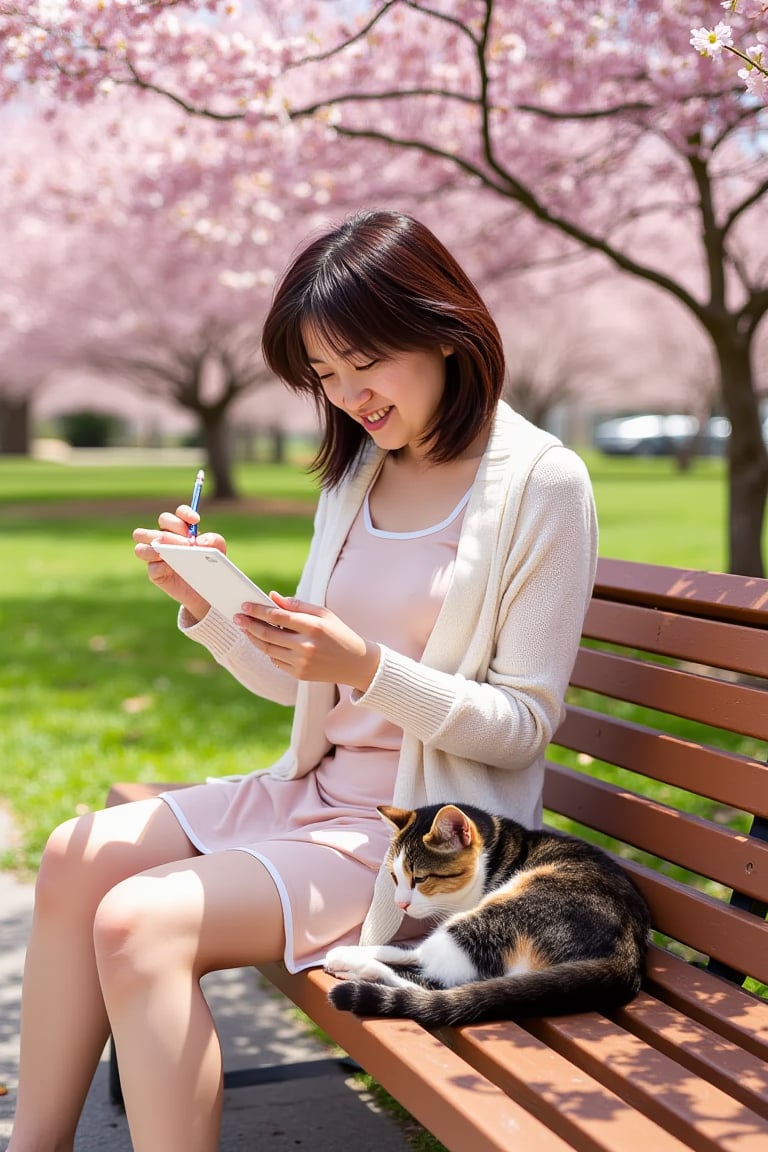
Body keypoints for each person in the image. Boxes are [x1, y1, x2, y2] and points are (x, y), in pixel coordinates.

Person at [8, 209, 598, 1152]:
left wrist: (365, 666)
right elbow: (304, 692)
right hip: (314, 795)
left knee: (139, 925)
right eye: (325, 376)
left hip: (419, 847)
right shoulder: (357, 473)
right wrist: (209, 606)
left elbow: (522, 724)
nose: (350, 395)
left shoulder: (541, 483)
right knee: (79, 853)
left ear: (442, 327)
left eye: (365, 363)